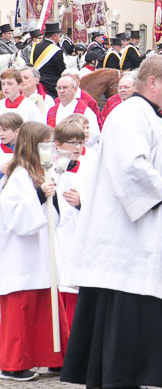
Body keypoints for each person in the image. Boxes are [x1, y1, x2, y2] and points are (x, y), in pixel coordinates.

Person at [61, 55, 162, 389]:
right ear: (153, 83)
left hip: (138, 229)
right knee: (124, 304)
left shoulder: (146, 116)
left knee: (127, 305)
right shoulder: (130, 115)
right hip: (127, 233)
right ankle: (115, 379)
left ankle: (119, 378)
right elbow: (130, 168)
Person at [0, 121, 70, 380]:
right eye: (46, 145)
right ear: (32, 146)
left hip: (40, 253)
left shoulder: (38, 173)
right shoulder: (18, 175)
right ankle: (14, 363)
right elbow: (15, 217)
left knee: (45, 303)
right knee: (22, 307)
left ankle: (53, 355)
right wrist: (40, 195)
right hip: (21, 256)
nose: (50, 150)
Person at [52, 118, 92, 327]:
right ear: (57, 144)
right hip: (57, 235)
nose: (78, 148)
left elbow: (98, 198)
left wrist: (81, 202)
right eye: (72, 143)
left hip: (78, 234)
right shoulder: (49, 167)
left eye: (81, 143)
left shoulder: (89, 165)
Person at [48, 74, 101, 141]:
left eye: (65, 87)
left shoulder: (85, 111)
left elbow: (94, 136)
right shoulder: (51, 111)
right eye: (59, 88)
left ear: (75, 89)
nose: (61, 91)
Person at [29, 21, 66, 97]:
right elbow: (61, 71)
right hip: (51, 85)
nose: (59, 37)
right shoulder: (56, 50)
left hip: (37, 82)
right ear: (55, 35)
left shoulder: (35, 46)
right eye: (59, 35)